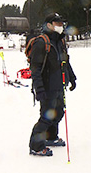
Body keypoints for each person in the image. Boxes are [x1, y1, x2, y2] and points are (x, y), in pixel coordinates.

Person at [29, 13, 77, 156]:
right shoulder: (41, 42)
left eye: (61, 24)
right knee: (46, 117)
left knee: (59, 112)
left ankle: (51, 137)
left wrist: (72, 78)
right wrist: (40, 90)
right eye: (57, 24)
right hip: (47, 87)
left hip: (59, 85)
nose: (60, 27)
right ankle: (36, 146)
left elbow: (65, 62)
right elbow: (35, 70)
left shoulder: (59, 41)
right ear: (49, 25)